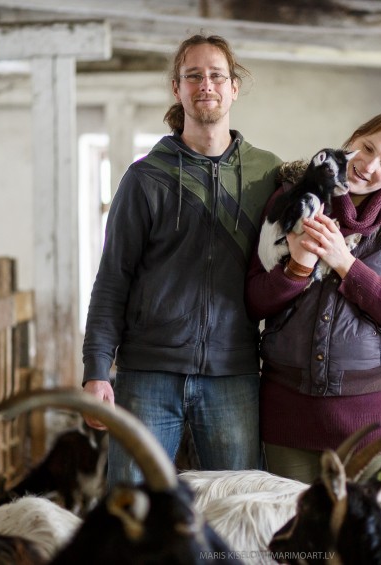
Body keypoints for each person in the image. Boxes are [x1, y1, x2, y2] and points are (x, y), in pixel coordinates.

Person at [82, 34, 283, 487]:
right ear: (177, 88)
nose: (205, 84)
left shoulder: (267, 174)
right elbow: (112, 279)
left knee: (236, 508)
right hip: (147, 373)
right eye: (193, 76)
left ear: (234, 87)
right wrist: (96, 369)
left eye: (216, 75)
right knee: (131, 509)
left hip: (233, 372)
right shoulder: (145, 178)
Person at [245, 110, 381, 508]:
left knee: (362, 535)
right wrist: (297, 268)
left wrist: (346, 263)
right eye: (368, 148)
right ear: (353, 139)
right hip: (289, 417)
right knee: (291, 530)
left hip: (371, 424)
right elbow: (253, 300)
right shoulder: (292, 198)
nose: (370, 166)